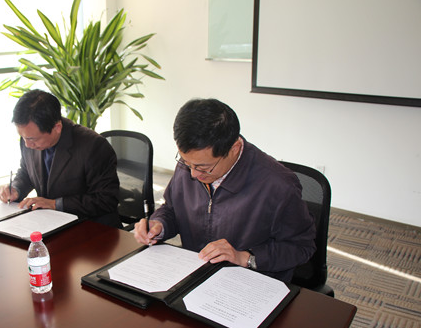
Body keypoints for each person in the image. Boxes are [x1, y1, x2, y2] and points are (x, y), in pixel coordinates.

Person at [134, 98, 316, 282]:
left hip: (249, 282)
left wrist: (245, 257)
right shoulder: (190, 166)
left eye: (203, 167)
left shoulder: (278, 185)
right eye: (186, 162)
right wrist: (159, 225)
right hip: (195, 273)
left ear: (234, 148)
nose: (193, 174)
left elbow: (301, 246)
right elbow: (172, 209)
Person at [0, 89, 121, 228]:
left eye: (32, 139)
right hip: (51, 225)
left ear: (57, 127)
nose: (27, 144)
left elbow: (106, 200)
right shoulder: (29, 138)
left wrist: (55, 204)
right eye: (23, 137)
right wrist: (16, 189)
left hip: (91, 228)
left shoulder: (93, 146)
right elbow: (26, 172)